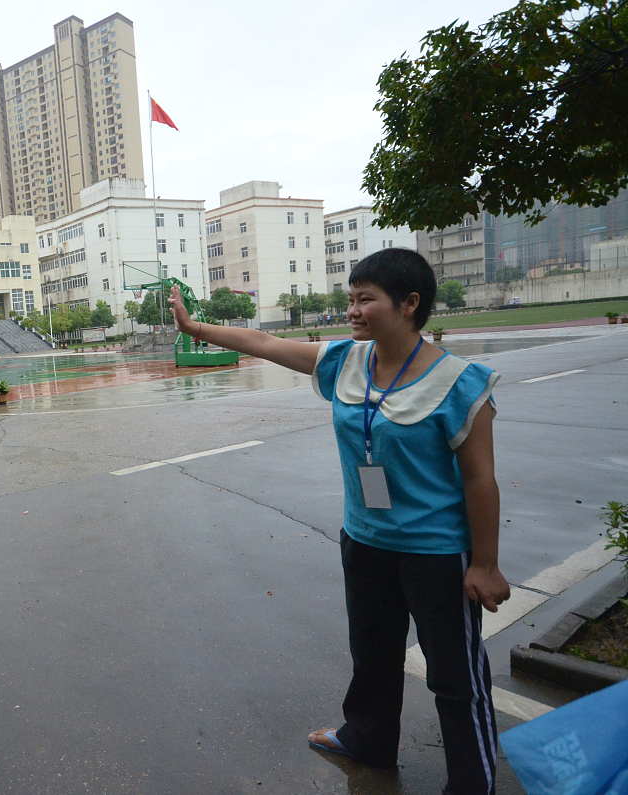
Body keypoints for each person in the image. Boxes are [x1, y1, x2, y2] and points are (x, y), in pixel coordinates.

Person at [167, 248, 509, 795]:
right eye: (350, 298)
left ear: (409, 304)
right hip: (366, 541)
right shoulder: (347, 360)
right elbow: (264, 343)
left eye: (364, 299)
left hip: (438, 552)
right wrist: (193, 326)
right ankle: (369, 740)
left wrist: (486, 563)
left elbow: (479, 480)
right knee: (372, 652)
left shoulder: (462, 383)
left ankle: (473, 782)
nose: (351, 310)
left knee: (455, 676)